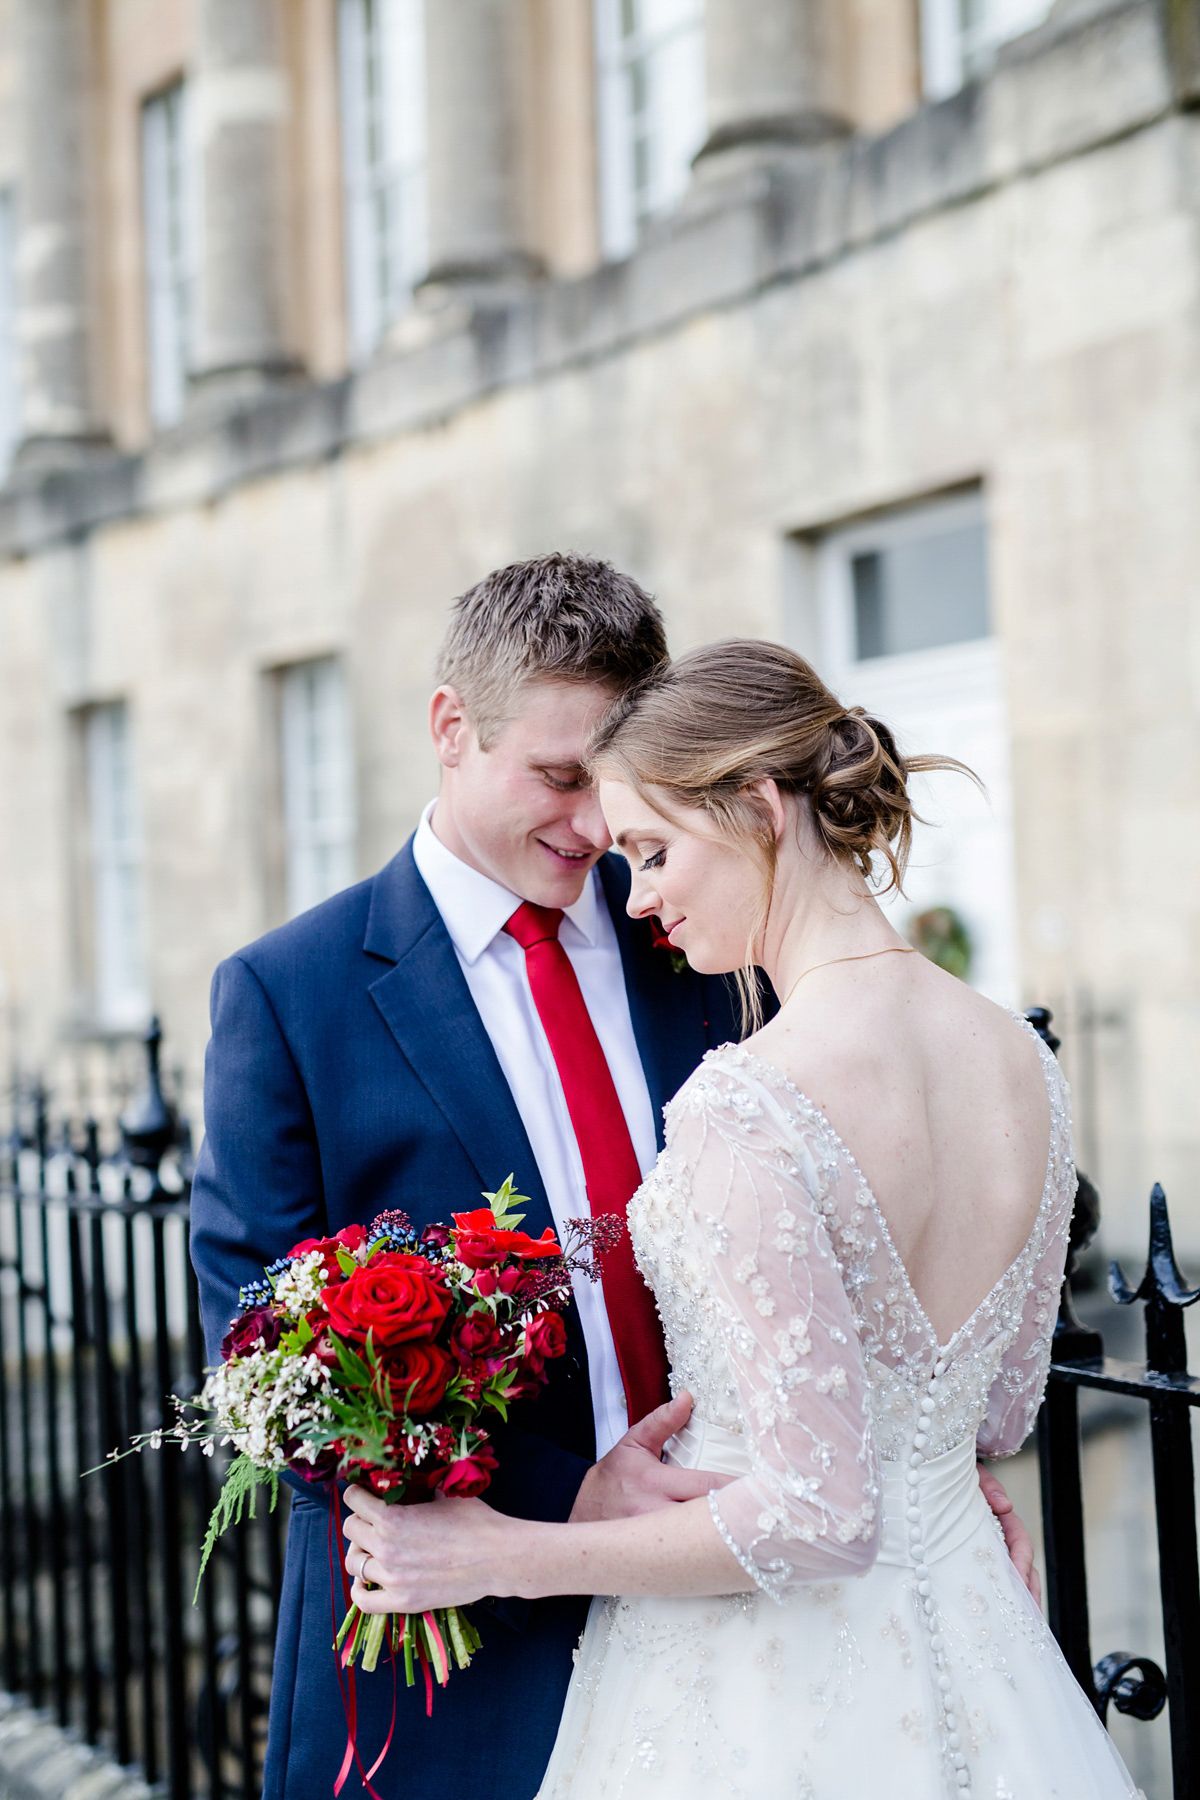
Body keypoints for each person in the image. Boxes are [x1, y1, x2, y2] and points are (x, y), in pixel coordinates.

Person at [339, 641, 1138, 1800]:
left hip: (768, 1689)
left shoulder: (750, 1102)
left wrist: (503, 1554)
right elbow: (998, 1411)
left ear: (761, 807)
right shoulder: (1024, 1062)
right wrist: (928, 1466)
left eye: (655, 851)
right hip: (978, 1632)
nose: (638, 893)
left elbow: (818, 1513)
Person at [189, 555, 753, 1800]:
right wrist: (568, 1505)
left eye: (613, 784)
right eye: (559, 777)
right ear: (452, 727)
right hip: (448, 1669)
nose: (598, 827)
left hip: (735, 1603)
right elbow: (257, 1355)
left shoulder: (704, 943)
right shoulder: (290, 996)